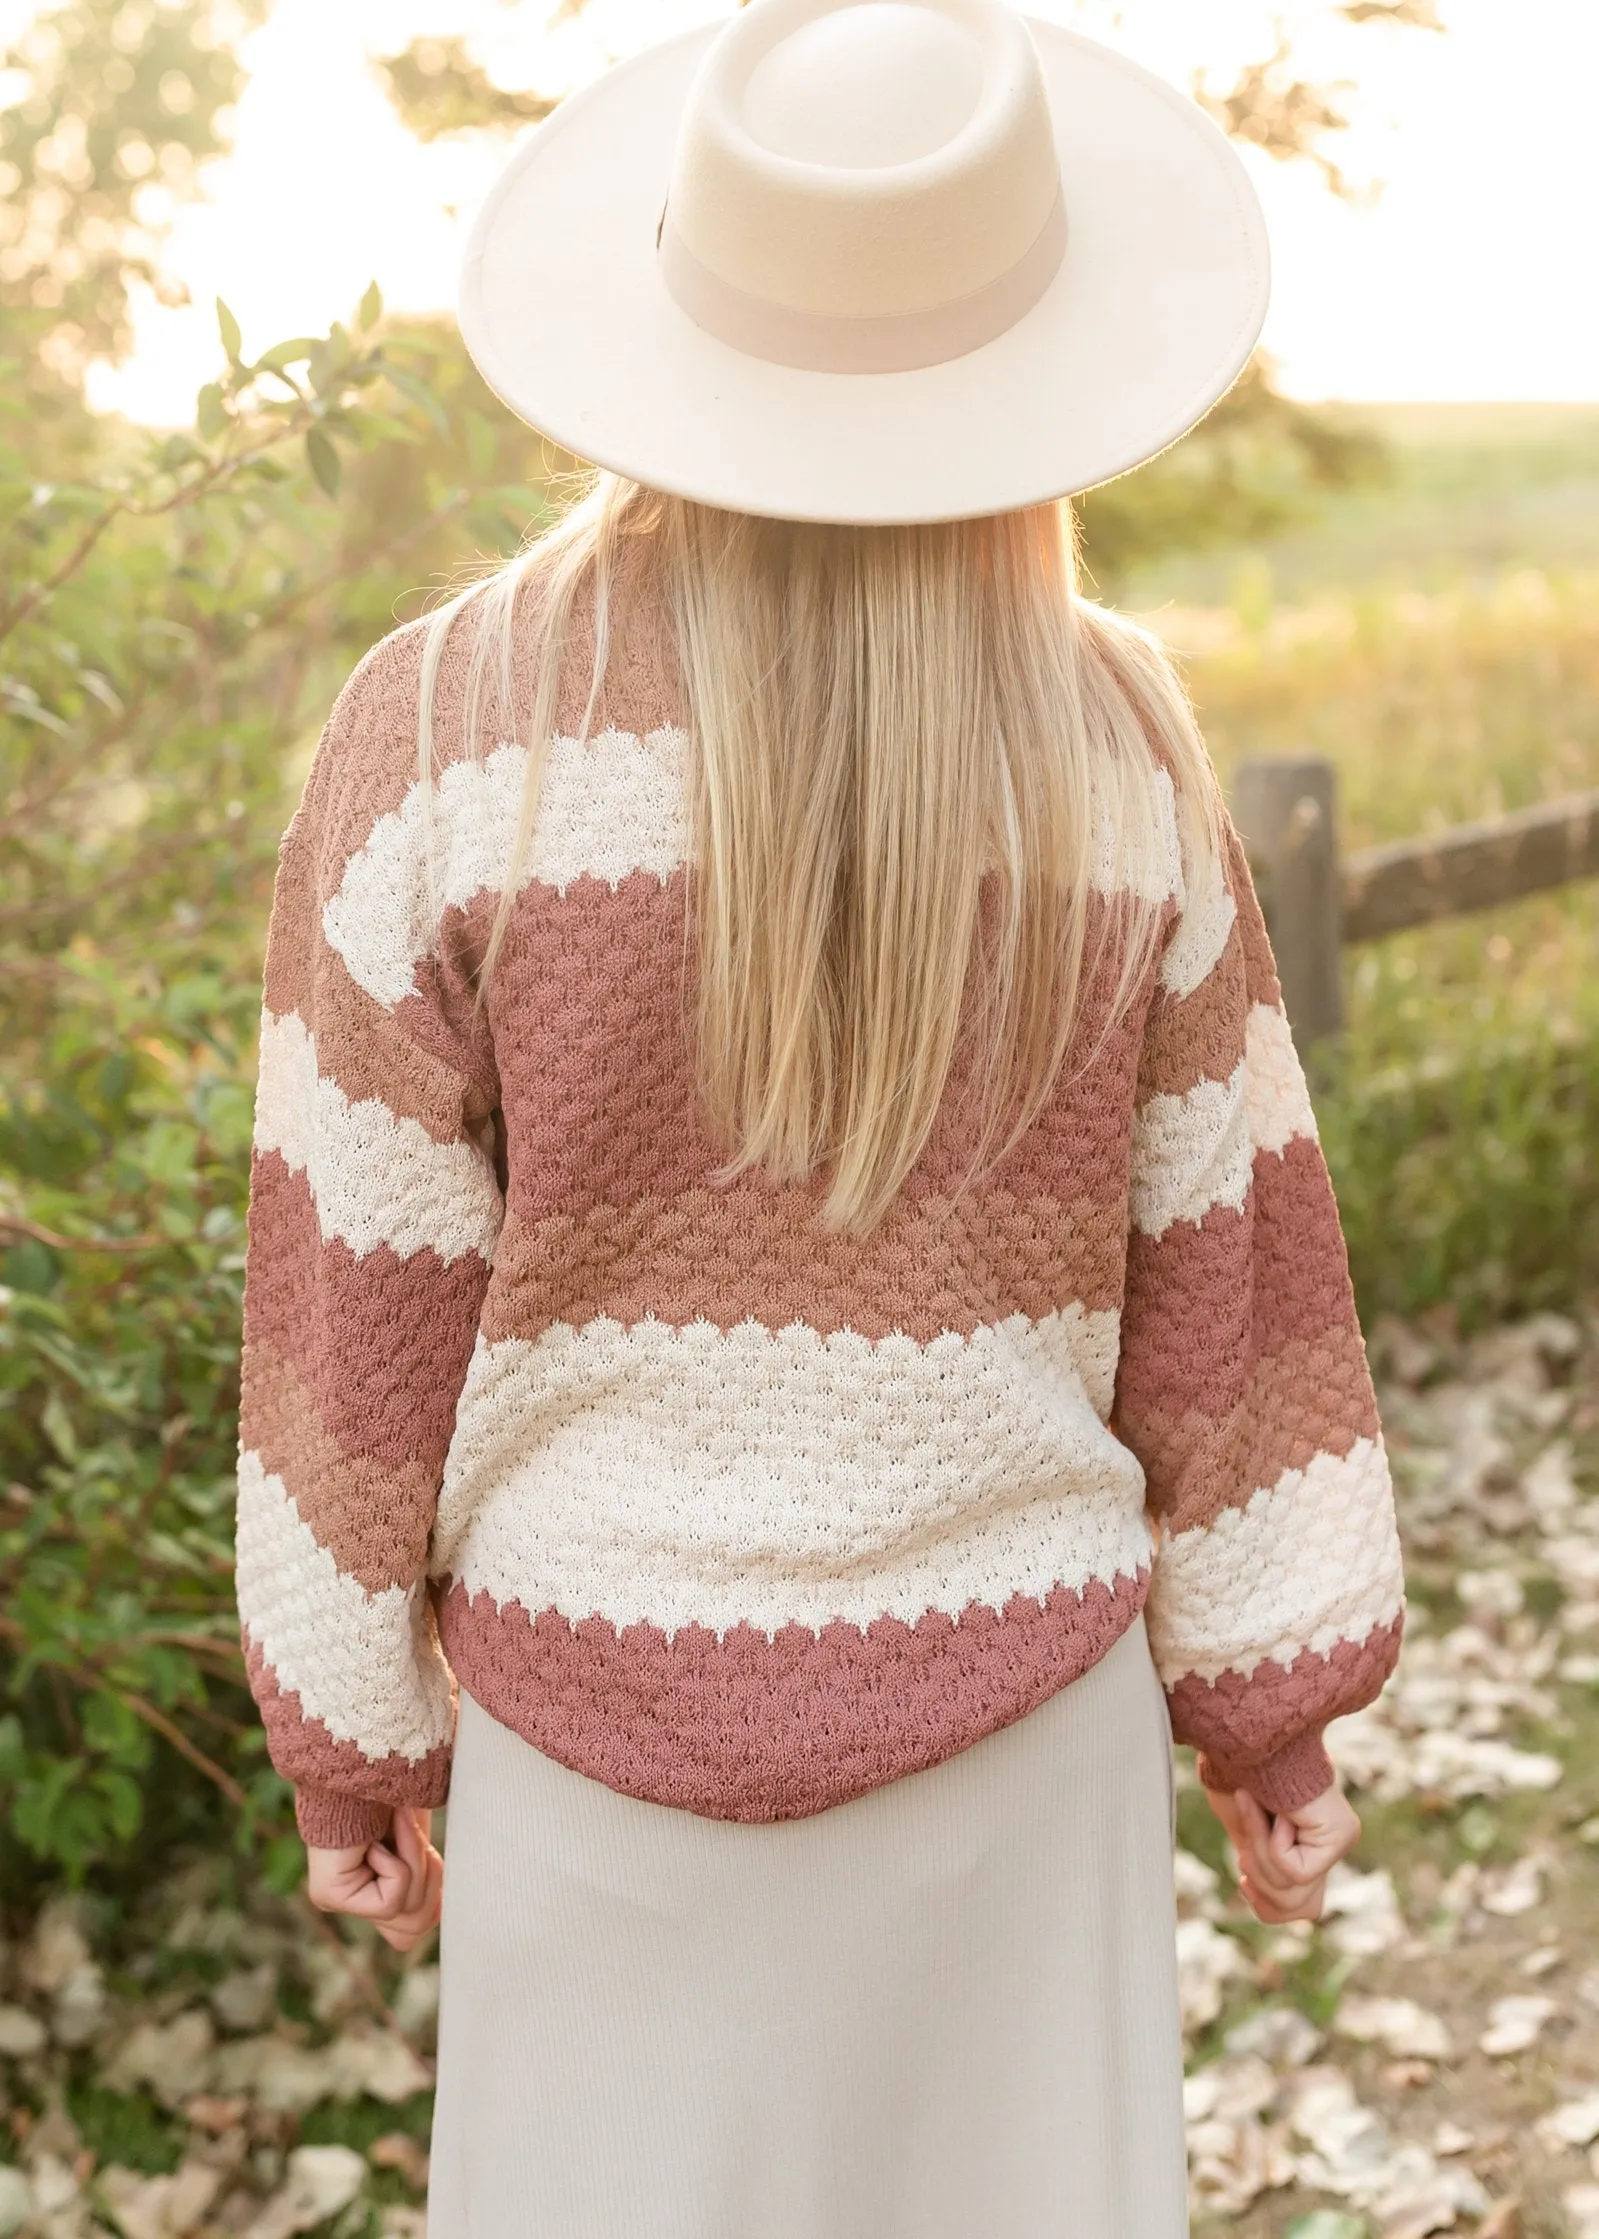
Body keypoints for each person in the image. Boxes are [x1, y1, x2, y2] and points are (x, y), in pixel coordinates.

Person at [233, 0, 1407, 2231]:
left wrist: (345, 1737)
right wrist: (1271, 1705)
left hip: (598, 1768)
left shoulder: (447, 736)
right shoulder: (1113, 754)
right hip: (1014, 1759)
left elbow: (349, 1294)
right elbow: (1231, 1271)